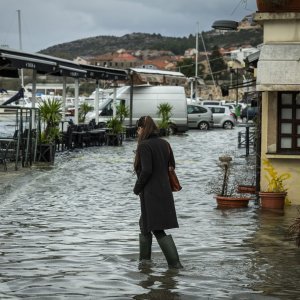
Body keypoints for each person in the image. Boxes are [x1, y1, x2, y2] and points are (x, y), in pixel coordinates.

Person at [133, 115, 182, 269]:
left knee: (157, 228)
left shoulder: (144, 146)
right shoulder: (165, 143)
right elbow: (172, 166)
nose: (137, 132)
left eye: (138, 129)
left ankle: (175, 265)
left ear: (142, 129)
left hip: (151, 193)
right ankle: (145, 263)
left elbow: (146, 171)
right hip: (164, 191)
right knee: (145, 224)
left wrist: (137, 188)